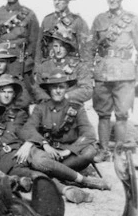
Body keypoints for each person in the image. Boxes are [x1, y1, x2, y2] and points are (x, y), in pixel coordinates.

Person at [0, 95, 109, 195]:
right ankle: (66, 190)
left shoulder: (8, 124)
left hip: (27, 151)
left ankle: (84, 181)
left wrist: (27, 144)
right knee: (35, 175)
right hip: (7, 162)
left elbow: (27, 132)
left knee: (43, 161)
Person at [19, 69, 100, 203]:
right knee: (38, 160)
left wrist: (69, 150)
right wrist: (44, 144)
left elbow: (89, 133)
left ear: (66, 89)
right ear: (49, 90)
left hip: (69, 156)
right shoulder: (41, 108)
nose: (57, 91)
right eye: (54, 87)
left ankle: (54, 174)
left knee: (90, 151)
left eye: (61, 87)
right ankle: (76, 179)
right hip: (49, 155)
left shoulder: (76, 108)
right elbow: (28, 128)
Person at [90, 0, 138, 161]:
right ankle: (103, 151)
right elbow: (90, 48)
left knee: (122, 114)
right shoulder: (99, 19)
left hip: (124, 74)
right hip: (103, 73)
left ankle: (119, 152)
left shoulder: (132, 19)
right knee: (103, 114)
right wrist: (88, 74)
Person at [36, 0, 91, 64]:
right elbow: (39, 49)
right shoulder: (47, 20)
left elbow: (85, 52)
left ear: (68, 0)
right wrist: (37, 69)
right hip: (49, 69)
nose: (56, 2)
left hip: (69, 69)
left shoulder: (78, 21)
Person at [33, 30, 93, 104]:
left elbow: (87, 90)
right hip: (48, 107)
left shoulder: (79, 66)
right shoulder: (44, 66)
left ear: (68, 48)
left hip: (71, 105)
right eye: (55, 46)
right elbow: (36, 88)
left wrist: (66, 96)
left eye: (62, 46)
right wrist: (47, 99)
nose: (58, 50)